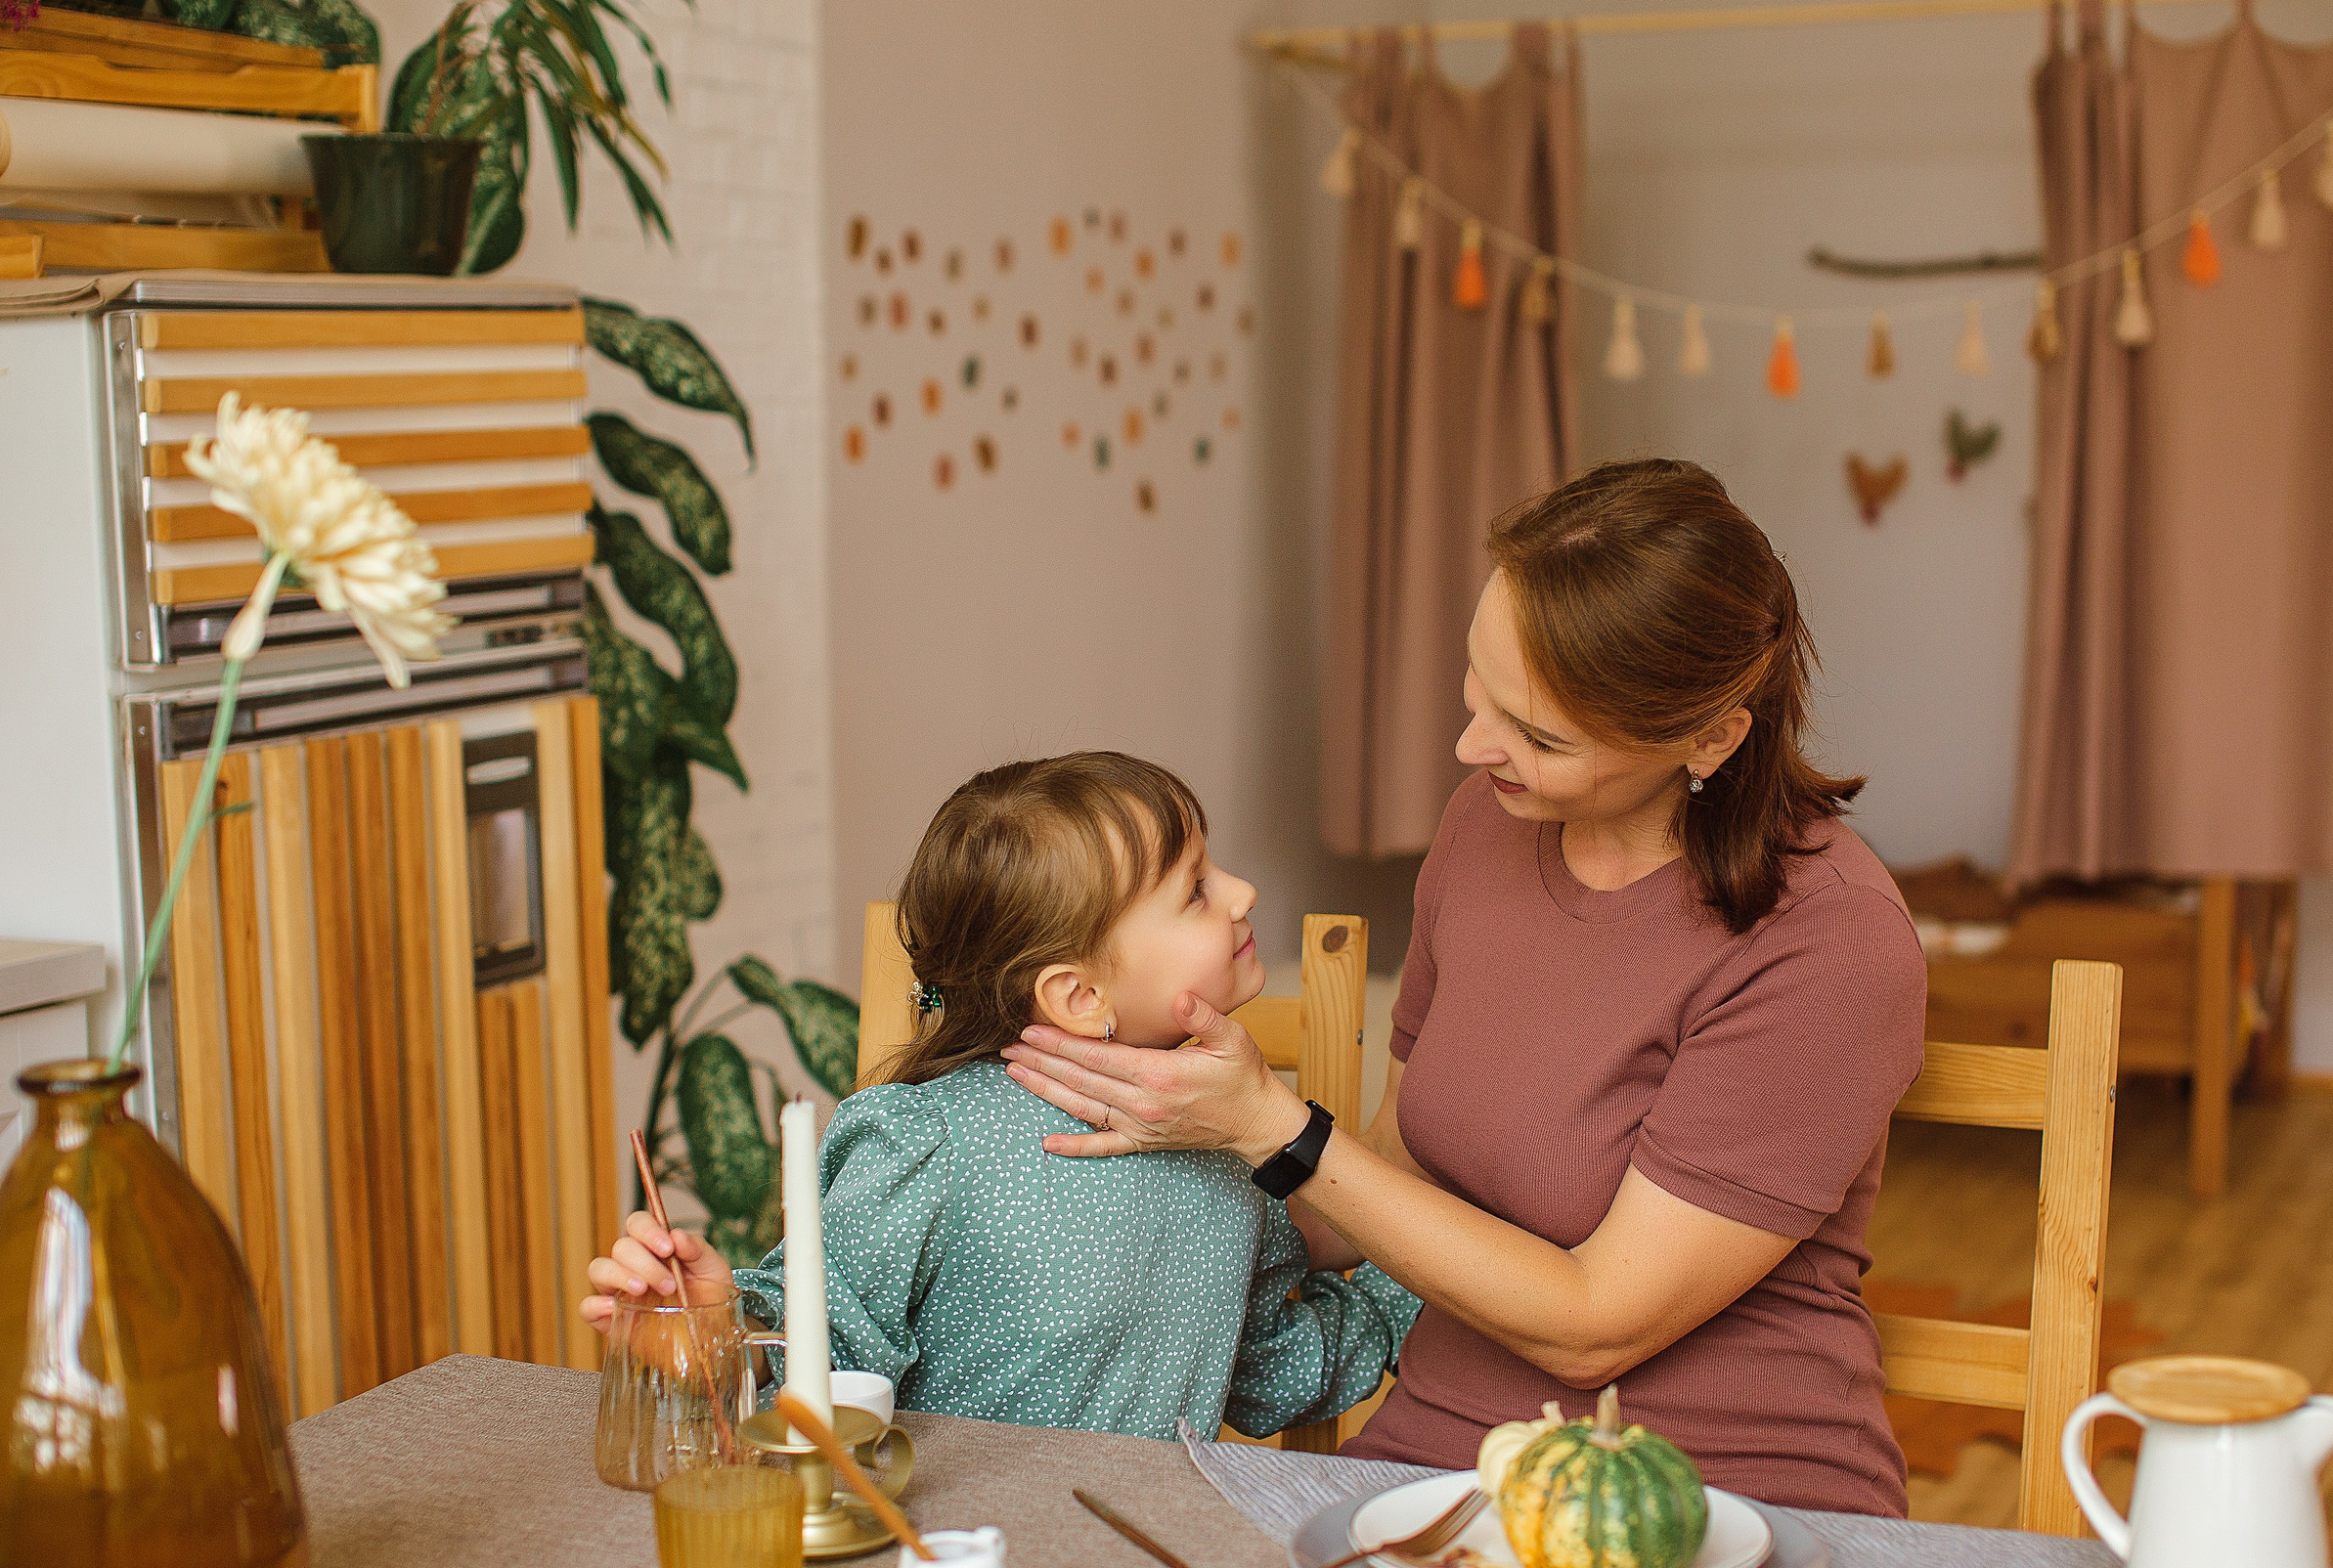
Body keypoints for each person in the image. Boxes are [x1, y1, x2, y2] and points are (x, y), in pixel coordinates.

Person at [1006, 459, 1927, 1514]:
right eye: (1478, 681)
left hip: (1709, 1484)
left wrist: (1272, 1127)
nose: (1471, 744)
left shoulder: (1824, 940)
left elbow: (1597, 1324)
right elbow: (1401, 1169)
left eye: (1540, 736)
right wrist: (1081, 1191)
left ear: (1708, 738)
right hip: (1439, 1453)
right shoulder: (1489, 822)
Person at [583, 752, 1418, 1443]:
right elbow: (818, 1353)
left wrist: (1425, 1285)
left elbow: (1267, 1372)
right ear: (1080, 996)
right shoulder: (928, 1145)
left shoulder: (1234, 1147)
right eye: (1195, 887)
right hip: (944, 1564)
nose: (1242, 893)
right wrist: (719, 1329)